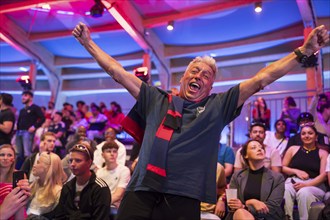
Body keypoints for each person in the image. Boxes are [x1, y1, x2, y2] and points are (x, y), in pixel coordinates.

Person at [72, 22, 329, 219]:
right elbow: (117, 72)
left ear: (211, 86)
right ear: (183, 78)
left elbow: (262, 78)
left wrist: (302, 52)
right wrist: (88, 44)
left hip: (184, 196)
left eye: (206, 75)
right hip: (141, 190)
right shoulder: (156, 99)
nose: (198, 76)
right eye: (194, 71)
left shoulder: (218, 105)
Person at [226, 139, 285, 220]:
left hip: (267, 217)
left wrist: (247, 204)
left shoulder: (277, 178)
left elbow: (272, 207)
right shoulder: (237, 176)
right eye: (254, 147)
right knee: (241, 213)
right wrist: (248, 205)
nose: (259, 149)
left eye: (261, 147)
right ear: (246, 155)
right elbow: (232, 203)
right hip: (240, 216)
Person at [282, 125, 328, 220]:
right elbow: (283, 167)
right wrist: (296, 171)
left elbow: (324, 175)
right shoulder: (293, 149)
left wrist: (306, 184)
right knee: (285, 189)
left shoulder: (323, 153)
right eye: (303, 133)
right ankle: (288, 217)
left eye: (310, 133)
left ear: (316, 137)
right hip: (293, 181)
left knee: (304, 192)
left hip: (315, 184)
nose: (306, 136)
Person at [54, 142, 110, 219]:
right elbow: (59, 216)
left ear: (89, 163)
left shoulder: (100, 188)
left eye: (78, 160)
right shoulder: (67, 187)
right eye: (71, 160)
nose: (72, 164)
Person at [27, 152, 66, 219]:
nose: (34, 165)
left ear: (48, 167)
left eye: (38, 162)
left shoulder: (58, 192)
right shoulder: (33, 185)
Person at [96, 141, 130, 214]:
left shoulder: (124, 170)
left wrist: (100, 203)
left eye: (115, 151)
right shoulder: (99, 173)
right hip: (103, 206)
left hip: (116, 208)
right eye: (108, 151)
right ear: (102, 155)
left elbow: (118, 195)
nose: (112, 154)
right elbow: (97, 194)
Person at [16, 91, 45, 169]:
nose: (23, 97)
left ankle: (28, 170)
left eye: (25, 95)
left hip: (27, 133)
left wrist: (34, 126)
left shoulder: (35, 108)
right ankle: (19, 170)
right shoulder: (22, 110)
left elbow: (42, 118)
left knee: (27, 153)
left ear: (31, 97)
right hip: (19, 132)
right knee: (19, 153)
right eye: (22, 96)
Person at [0, 144, 30, 220]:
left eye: (9, 155)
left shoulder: (19, 175)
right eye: (2, 155)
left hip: (16, 213)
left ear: (13, 159)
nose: (5, 158)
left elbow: (22, 203)